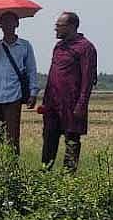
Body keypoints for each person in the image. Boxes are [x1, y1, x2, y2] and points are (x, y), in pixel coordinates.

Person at [40, 12, 97, 172]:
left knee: (72, 140)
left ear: (71, 26)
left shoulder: (85, 47)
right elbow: (52, 75)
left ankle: (68, 177)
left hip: (72, 103)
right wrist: (45, 102)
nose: (56, 29)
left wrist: (81, 104)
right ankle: (44, 173)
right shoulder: (58, 47)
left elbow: (88, 79)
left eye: (59, 26)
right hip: (53, 103)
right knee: (49, 138)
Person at [0, 11, 39, 156]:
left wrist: (33, 93)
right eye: (4, 22)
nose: (7, 25)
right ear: (0, 26)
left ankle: (13, 167)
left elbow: (31, 70)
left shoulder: (25, 46)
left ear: (17, 24)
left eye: (10, 21)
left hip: (14, 96)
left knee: (13, 137)